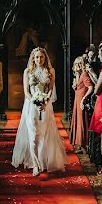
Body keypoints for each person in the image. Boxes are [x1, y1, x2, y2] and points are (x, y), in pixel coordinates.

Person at [12, 47, 67, 176]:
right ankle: (35, 165)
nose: (39, 59)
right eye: (37, 57)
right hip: (31, 105)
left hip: (45, 105)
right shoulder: (27, 71)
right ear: (33, 58)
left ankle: (41, 161)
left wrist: (45, 101)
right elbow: (26, 91)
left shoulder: (50, 71)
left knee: (42, 135)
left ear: (45, 58)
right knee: (33, 135)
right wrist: (35, 102)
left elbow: (50, 89)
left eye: (41, 57)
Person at [70, 55, 92, 152]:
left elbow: (91, 87)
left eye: (79, 64)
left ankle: (84, 146)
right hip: (77, 101)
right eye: (76, 64)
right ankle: (80, 144)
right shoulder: (78, 75)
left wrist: (84, 98)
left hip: (81, 101)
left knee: (82, 122)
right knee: (78, 122)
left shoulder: (84, 74)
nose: (77, 66)